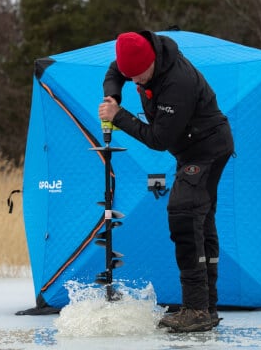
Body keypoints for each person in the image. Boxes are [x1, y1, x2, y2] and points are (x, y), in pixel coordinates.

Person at [98, 30, 234, 332]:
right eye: (129, 77)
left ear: (153, 62)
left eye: (139, 76)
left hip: (208, 149)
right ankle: (206, 307)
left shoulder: (177, 83)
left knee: (184, 214)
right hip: (190, 152)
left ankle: (197, 309)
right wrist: (113, 95)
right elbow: (114, 71)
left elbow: (159, 139)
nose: (135, 82)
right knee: (200, 218)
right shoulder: (138, 60)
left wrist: (118, 115)